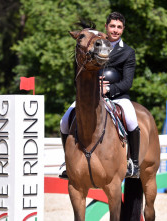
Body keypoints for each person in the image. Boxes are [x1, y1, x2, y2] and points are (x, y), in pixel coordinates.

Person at [59, 12, 140, 179]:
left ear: (123, 29)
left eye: (119, 27)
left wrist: (108, 90)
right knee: (64, 121)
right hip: (90, 97)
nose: (115, 30)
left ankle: (134, 162)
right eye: (112, 26)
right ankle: (67, 162)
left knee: (132, 119)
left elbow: (127, 82)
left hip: (118, 96)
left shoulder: (128, 52)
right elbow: (79, 76)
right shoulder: (92, 45)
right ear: (106, 27)